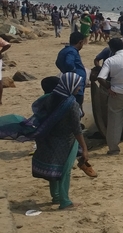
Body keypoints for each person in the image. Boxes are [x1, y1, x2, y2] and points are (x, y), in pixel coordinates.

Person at [30, 74, 91, 209]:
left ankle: (56, 196)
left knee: (55, 168)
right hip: (66, 141)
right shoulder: (71, 104)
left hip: (50, 139)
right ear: (71, 85)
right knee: (65, 170)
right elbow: (76, 129)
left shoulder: (49, 98)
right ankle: (65, 202)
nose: (80, 87)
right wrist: (84, 148)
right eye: (78, 85)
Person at [55, 32, 88, 105]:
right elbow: (69, 63)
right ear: (80, 42)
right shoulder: (72, 51)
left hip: (68, 81)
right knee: (77, 103)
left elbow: (57, 63)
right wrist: (73, 73)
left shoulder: (64, 50)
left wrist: (64, 71)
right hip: (76, 83)